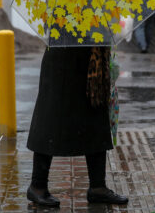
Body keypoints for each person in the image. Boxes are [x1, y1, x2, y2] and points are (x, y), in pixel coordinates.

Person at [26, 46, 128, 207]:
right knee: (51, 119)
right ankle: (37, 186)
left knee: (96, 118)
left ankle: (98, 187)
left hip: (94, 59)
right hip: (62, 57)